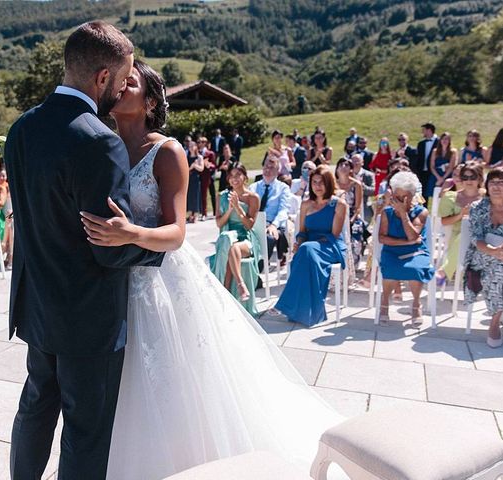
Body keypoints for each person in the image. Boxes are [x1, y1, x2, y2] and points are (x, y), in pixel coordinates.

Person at [80, 58, 343, 480]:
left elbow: (177, 233)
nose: (117, 85)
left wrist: (130, 233)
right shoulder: (103, 145)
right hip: (115, 278)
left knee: (173, 382)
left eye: (129, 82)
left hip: (161, 279)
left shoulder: (166, 151)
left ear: (149, 102)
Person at [5, 23, 166, 480]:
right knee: (86, 430)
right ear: (102, 79)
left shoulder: (21, 129)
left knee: (35, 409)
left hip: (36, 305)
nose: (121, 90)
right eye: (122, 79)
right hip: (86, 316)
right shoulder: (99, 140)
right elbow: (108, 248)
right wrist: (157, 251)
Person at [273, 166, 347, 326]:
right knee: (305, 253)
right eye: (314, 182)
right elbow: (302, 232)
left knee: (306, 251)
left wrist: (305, 245)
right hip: (309, 248)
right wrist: (298, 242)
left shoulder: (339, 204)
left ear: (329, 183)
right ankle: (307, 312)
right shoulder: (306, 204)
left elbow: (334, 234)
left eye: (322, 182)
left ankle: (287, 304)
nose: (318, 186)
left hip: (330, 246)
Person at [378, 171, 435, 328]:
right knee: (390, 268)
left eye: (405, 197)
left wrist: (403, 214)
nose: (401, 200)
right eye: (397, 196)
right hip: (392, 251)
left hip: (417, 252)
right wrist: (405, 243)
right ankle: (384, 302)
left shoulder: (421, 212)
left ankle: (416, 304)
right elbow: (382, 238)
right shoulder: (386, 213)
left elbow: (413, 235)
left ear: (412, 195)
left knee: (415, 269)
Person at [464, 168, 503, 348]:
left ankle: (496, 319)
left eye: (501, 182)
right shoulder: (478, 207)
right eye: (492, 182)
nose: (496, 186)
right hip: (482, 254)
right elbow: (476, 238)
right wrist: (494, 251)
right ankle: (494, 323)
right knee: (501, 265)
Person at [210, 165, 260, 313]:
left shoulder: (253, 198)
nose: (234, 178)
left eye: (238, 174)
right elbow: (219, 223)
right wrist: (230, 208)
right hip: (228, 238)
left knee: (234, 248)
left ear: (245, 177)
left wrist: (238, 208)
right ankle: (240, 285)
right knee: (226, 240)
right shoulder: (222, 196)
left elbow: (249, 225)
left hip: (245, 239)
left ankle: (223, 292)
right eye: (231, 175)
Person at [436, 162, 483, 285]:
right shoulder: (451, 196)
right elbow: (444, 221)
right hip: (457, 235)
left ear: (480, 178)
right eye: (465, 177)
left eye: (472, 177)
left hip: (484, 237)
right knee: (466, 233)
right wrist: (461, 215)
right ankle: (447, 271)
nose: (469, 180)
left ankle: (444, 271)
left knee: (472, 232)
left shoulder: (487, 196)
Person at [249, 157, 291, 267]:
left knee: (269, 237)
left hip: (273, 224)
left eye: (272, 167)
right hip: (254, 224)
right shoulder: (253, 187)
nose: (268, 170)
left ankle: (259, 266)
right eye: (266, 166)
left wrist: (273, 225)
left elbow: (283, 210)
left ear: (278, 171)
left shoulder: (283, 188)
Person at [336, 158, 364, 265]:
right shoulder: (333, 184)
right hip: (336, 215)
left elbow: (358, 208)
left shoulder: (356, 185)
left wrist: (351, 220)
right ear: (337, 169)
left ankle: (354, 261)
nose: (343, 167)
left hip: (353, 216)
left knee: (356, 229)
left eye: (347, 165)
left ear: (351, 169)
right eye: (341, 165)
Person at [427, 132, 457, 200]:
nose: (444, 141)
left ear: (449, 141)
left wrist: (443, 178)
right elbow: (432, 166)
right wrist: (438, 178)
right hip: (436, 175)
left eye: (446, 139)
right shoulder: (435, 151)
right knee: (435, 195)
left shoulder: (453, 152)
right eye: (443, 139)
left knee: (446, 195)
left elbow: (451, 167)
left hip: (447, 175)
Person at [351, 153, 375, 224]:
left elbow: (373, 191)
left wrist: (362, 187)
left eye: (357, 161)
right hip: (351, 207)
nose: (355, 163)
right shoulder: (347, 174)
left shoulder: (369, 175)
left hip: (365, 208)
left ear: (362, 163)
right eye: (353, 161)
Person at [417, 122, 438, 199]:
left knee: (435, 192)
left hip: (435, 172)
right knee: (422, 193)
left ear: (429, 130)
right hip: (423, 172)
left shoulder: (439, 142)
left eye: (424, 130)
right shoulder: (421, 143)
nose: (422, 132)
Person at [197, 136, 216, 219]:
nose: (199, 144)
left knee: (205, 195)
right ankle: (200, 212)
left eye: (200, 142)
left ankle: (205, 213)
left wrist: (208, 165)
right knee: (199, 195)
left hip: (207, 176)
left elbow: (214, 165)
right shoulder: (196, 153)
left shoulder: (210, 153)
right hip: (197, 176)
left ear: (204, 143)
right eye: (198, 142)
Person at [186, 140, 203, 223]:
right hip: (188, 179)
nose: (191, 148)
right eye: (190, 146)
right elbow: (185, 170)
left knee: (196, 196)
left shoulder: (199, 157)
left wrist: (195, 165)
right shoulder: (186, 157)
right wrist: (191, 167)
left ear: (196, 147)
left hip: (196, 179)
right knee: (189, 196)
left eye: (193, 146)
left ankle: (195, 215)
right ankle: (190, 215)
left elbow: (201, 169)